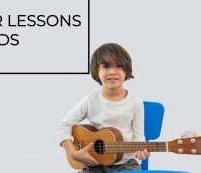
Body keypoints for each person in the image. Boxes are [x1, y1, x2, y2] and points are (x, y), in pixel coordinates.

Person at [56, 43, 150, 173]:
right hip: (94, 163)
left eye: (118, 66)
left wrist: (140, 149)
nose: (112, 72)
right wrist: (73, 153)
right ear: (97, 71)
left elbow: (139, 137)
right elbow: (63, 126)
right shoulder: (90, 100)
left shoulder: (136, 103)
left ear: (126, 70)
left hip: (126, 164)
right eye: (105, 67)